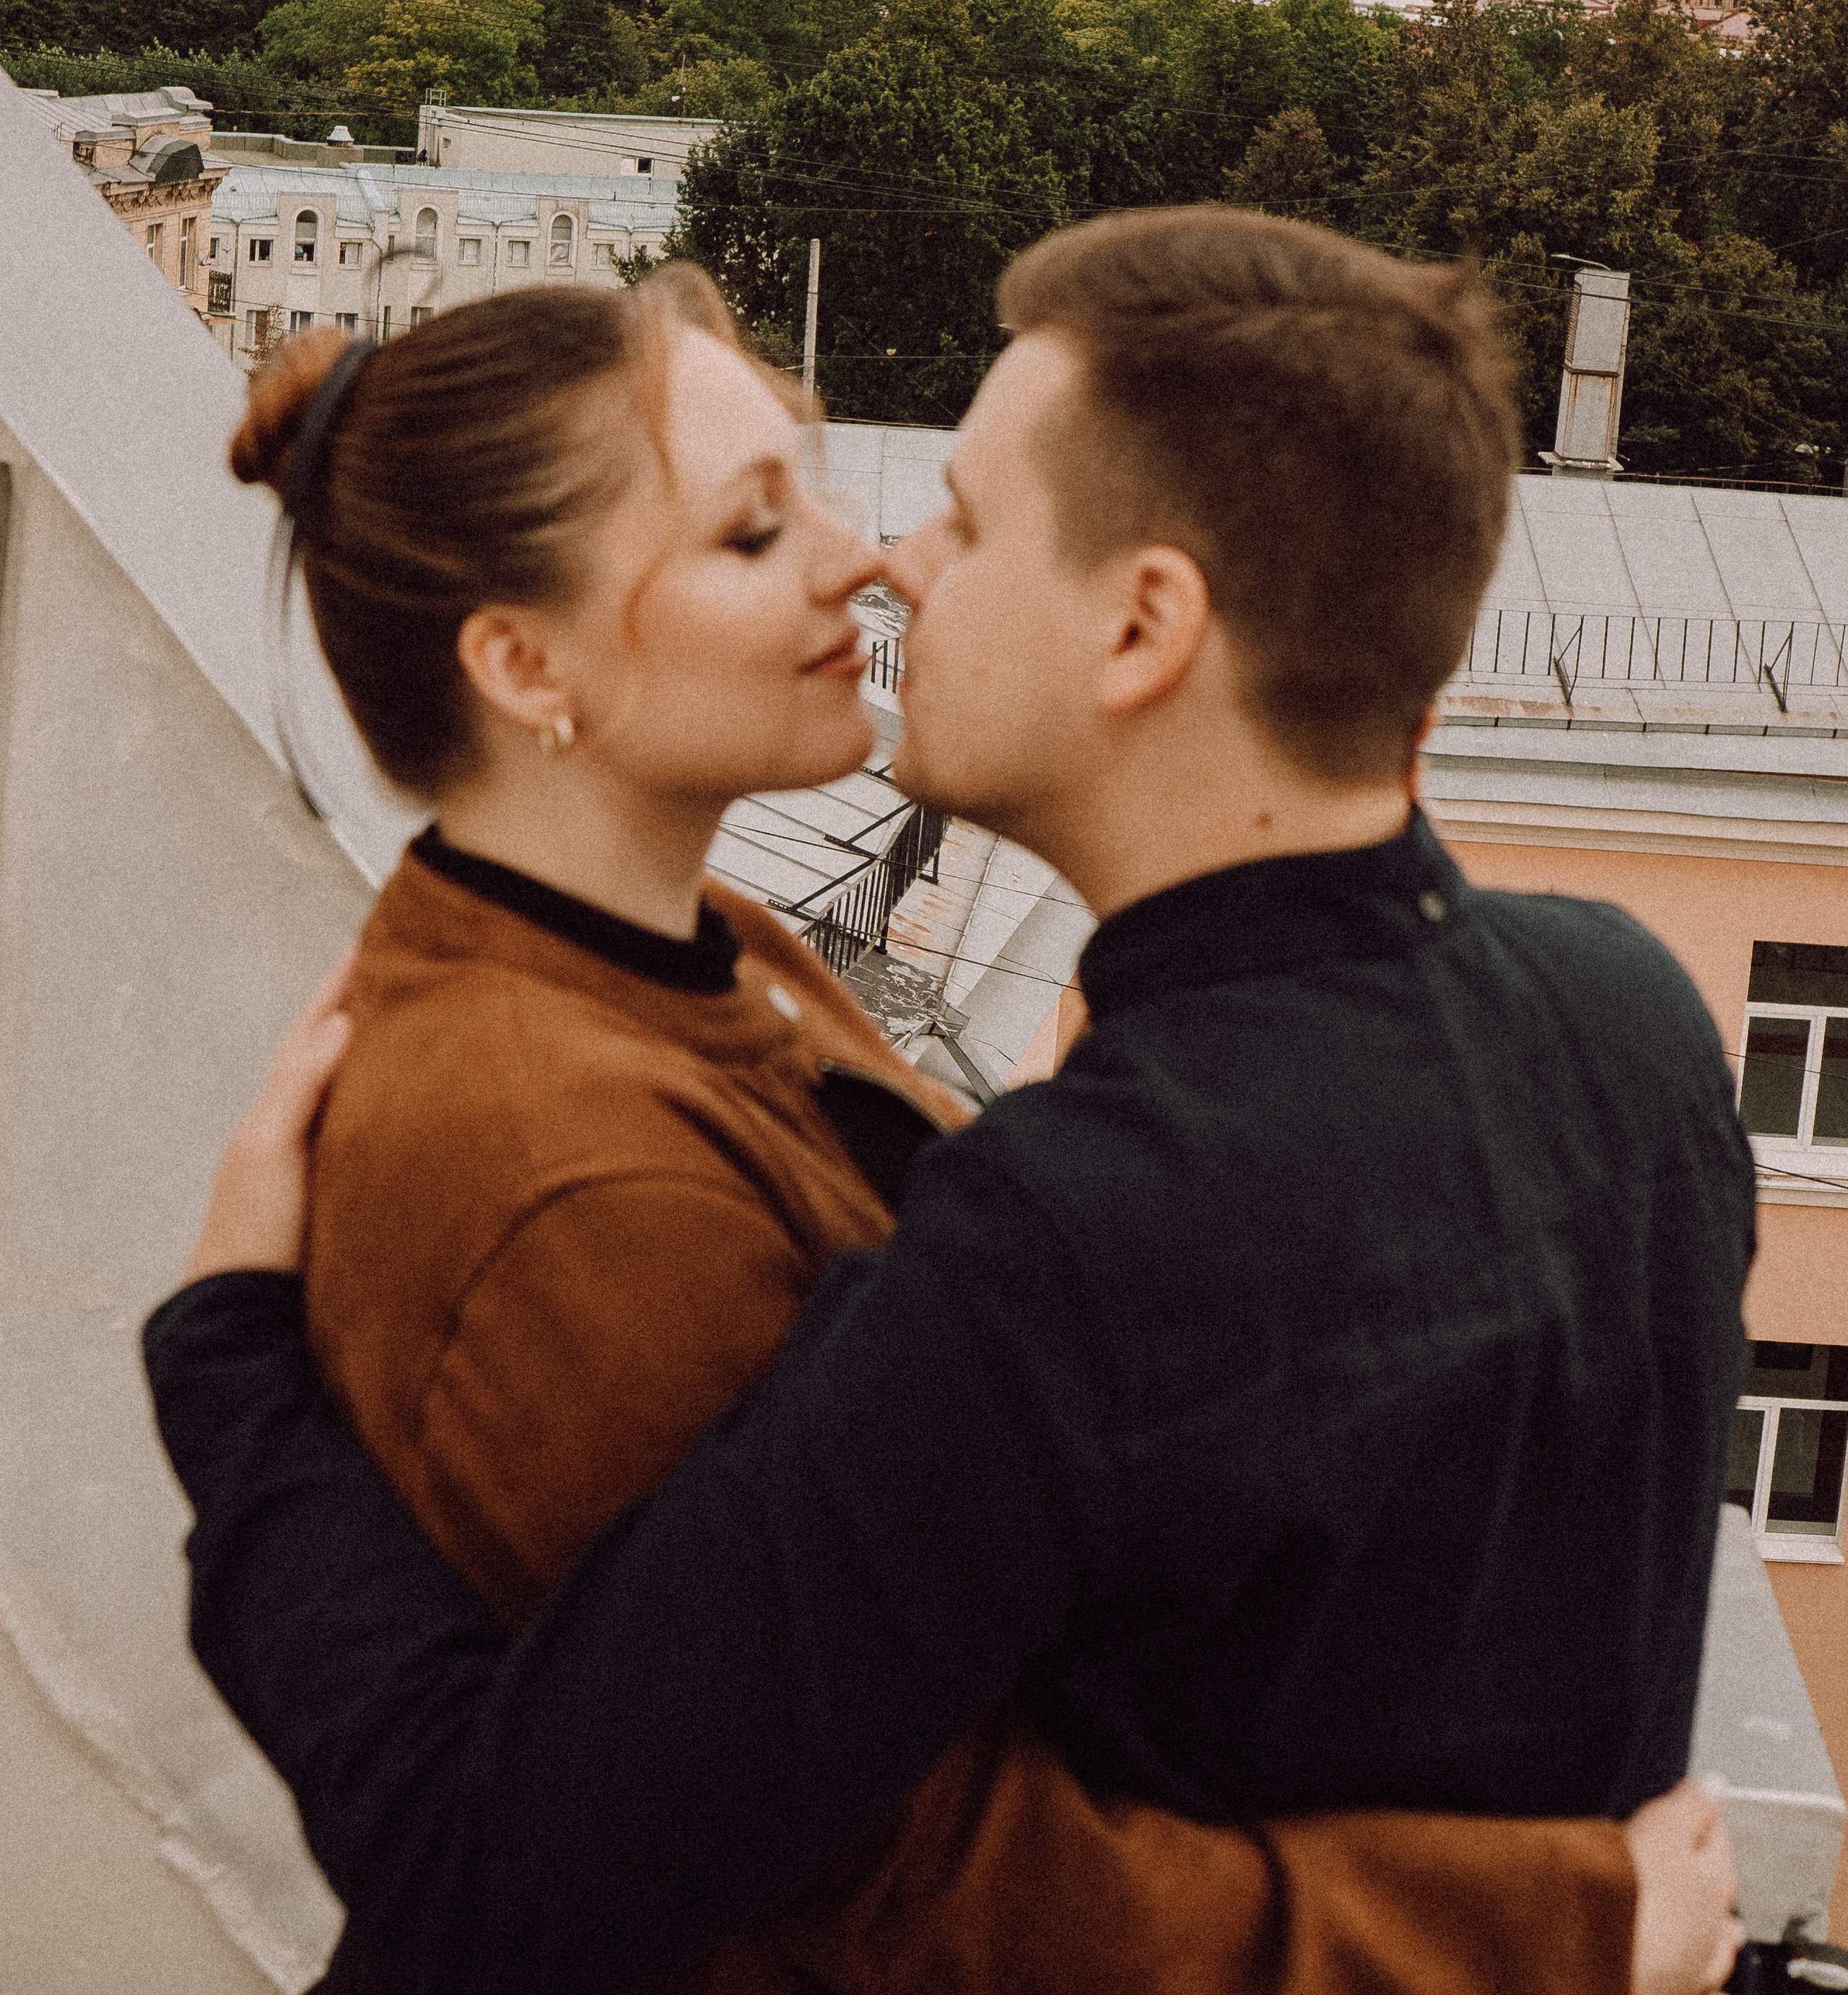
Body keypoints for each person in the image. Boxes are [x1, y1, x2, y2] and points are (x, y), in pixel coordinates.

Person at [144, 212, 1756, 1995]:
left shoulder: (1051, 1210)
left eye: (963, 520)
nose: (886, 560)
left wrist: (230, 1377)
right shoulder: (1635, 1013)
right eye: (764, 524)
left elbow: (525, 1865)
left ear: (1145, 626)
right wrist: (1562, 1934)